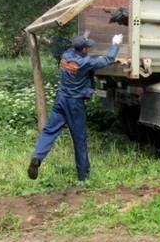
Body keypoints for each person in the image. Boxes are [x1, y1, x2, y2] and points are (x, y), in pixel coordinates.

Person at [27, 33, 123, 181]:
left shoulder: (66, 55)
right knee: (79, 139)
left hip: (61, 100)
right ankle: (83, 177)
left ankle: (37, 156)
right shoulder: (84, 63)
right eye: (87, 48)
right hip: (74, 104)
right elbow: (107, 60)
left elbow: (59, 43)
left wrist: (84, 36)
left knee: (49, 131)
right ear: (83, 50)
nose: (89, 50)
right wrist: (115, 43)